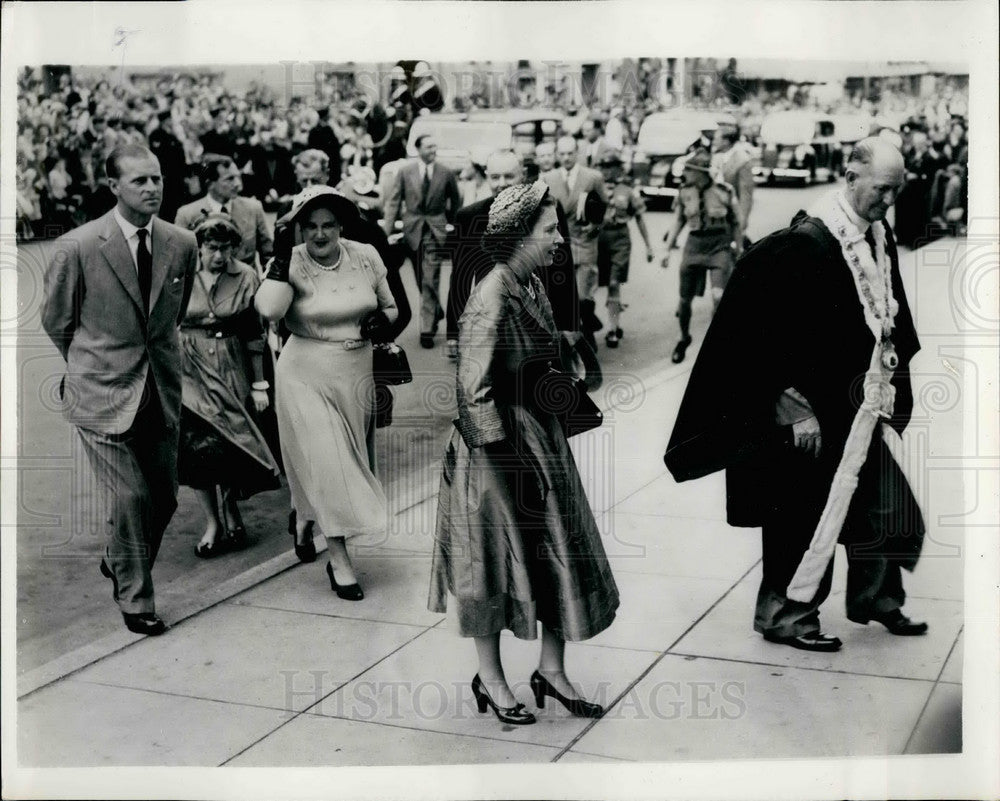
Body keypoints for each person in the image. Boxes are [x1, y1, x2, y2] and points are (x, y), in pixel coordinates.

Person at [664, 137, 927, 653]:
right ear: (850, 178)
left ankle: (876, 597)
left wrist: (892, 385)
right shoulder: (805, 242)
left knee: (882, 504)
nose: (889, 200)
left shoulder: (878, 236)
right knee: (801, 516)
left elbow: (889, 317)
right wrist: (790, 407)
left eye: (896, 191)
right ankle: (784, 616)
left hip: (859, 404)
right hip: (812, 414)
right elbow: (753, 336)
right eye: (881, 189)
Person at [429, 182, 619, 726]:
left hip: (538, 434)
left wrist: (561, 363)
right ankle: (490, 678)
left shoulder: (529, 282)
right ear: (518, 237)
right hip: (497, 451)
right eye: (550, 230)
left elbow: (531, 354)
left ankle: (551, 671)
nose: (560, 239)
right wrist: (503, 463)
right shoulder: (490, 293)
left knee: (560, 547)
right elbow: (472, 388)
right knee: (489, 562)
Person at [41, 143, 199, 635]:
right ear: (113, 186)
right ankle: (136, 598)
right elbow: (58, 321)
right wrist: (92, 366)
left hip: (159, 389)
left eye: (156, 179)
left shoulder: (182, 243)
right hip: (99, 392)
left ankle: (118, 558)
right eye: (139, 181)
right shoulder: (79, 246)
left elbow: (171, 317)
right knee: (131, 498)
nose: (152, 188)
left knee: (164, 498)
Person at [255, 186, 398, 600]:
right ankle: (340, 560)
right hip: (304, 373)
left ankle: (304, 515)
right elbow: (270, 311)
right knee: (330, 464)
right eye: (311, 226)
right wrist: (282, 257)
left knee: (341, 460)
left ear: (341, 226)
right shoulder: (290, 261)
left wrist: (381, 322)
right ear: (299, 228)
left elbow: (391, 307)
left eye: (329, 225)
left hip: (355, 373)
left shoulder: (366, 255)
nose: (320, 234)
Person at [179, 213, 281, 557]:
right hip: (189, 365)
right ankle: (213, 522)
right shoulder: (180, 272)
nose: (219, 256)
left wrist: (259, 384)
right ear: (199, 247)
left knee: (231, 440)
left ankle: (231, 511)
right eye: (212, 248)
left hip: (231, 362)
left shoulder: (246, 276)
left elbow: (254, 333)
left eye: (226, 248)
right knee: (197, 445)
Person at [445, 149, 578, 361]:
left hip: (539, 312)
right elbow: (460, 275)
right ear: (486, 176)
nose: (502, 183)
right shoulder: (469, 216)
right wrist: (453, 331)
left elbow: (563, 269)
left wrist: (569, 323)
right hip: (494, 315)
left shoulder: (546, 208)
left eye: (509, 176)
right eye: (495, 177)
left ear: (523, 174)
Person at [661, 148, 742, 364]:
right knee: (684, 300)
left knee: (718, 297)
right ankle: (683, 337)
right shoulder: (684, 191)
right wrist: (667, 249)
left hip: (719, 246)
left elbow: (736, 221)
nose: (684, 174)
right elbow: (679, 220)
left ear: (700, 173)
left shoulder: (724, 191)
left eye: (688, 170)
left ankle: (715, 343)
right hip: (694, 246)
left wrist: (739, 247)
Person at [383, 133, 462, 348]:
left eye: (434, 146)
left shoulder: (445, 172)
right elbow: (394, 202)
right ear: (418, 149)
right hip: (411, 231)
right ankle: (435, 310)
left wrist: (451, 224)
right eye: (428, 147)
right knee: (421, 278)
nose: (433, 150)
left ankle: (426, 330)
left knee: (430, 279)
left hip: (435, 232)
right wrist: (385, 233)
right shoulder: (405, 171)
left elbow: (456, 200)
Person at [542, 136, 609, 350]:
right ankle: (574, 336)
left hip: (584, 242)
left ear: (577, 153)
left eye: (570, 153)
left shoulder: (592, 177)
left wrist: (596, 225)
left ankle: (587, 331)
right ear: (557, 155)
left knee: (582, 294)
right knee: (563, 296)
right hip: (560, 244)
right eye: (561, 153)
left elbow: (605, 205)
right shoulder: (548, 178)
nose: (566, 157)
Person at [596, 151, 654, 348]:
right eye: (604, 167)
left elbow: (639, 218)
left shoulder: (627, 190)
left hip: (619, 239)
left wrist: (648, 246)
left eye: (610, 167)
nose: (607, 171)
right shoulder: (595, 188)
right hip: (598, 239)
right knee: (594, 285)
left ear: (618, 169)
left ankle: (613, 329)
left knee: (614, 283)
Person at [175, 154, 273, 270]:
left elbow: (269, 257)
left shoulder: (253, 208)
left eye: (238, 177)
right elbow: (179, 261)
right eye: (230, 179)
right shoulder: (187, 215)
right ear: (210, 184)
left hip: (246, 280)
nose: (237, 184)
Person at [711, 128, 754, 244]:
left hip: (731, 214)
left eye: (716, 139)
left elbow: (746, 195)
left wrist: (742, 220)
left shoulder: (743, 160)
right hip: (715, 214)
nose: (713, 141)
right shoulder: (716, 156)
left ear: (726, 141)